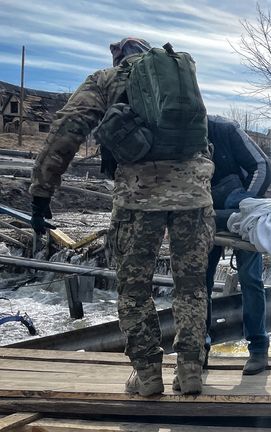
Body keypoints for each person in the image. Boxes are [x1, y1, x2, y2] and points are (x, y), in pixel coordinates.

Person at [29, 37, 214, 397]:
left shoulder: (106, 79)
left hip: (138, 199)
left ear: (117, 58)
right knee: (191, 286)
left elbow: (68, 129)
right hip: (194, 195)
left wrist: (41, 191)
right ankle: (190, 368)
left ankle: (147, 375)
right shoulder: (178, 76)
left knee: (134, 289)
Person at [205, 114, 271, 375]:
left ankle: (258, 349)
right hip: (204, 211)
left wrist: (246, 204)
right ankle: (199, 349)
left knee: (250, 279)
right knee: (199, 282)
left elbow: (262, 167)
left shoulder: (224, 128)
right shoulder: (178, 134)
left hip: (241, 208)